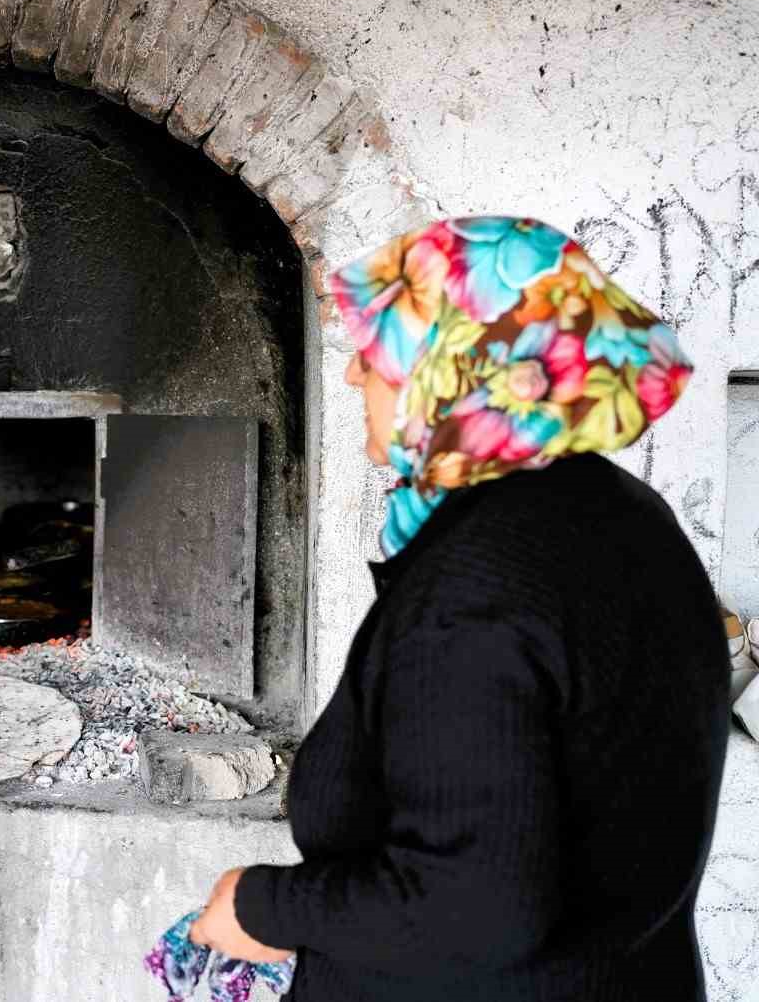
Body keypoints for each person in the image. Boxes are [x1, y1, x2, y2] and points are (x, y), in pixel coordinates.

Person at [188, 217, 730, 1000]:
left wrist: (263, 907)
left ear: (453, 367)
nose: (350, 380)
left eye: (377, 353)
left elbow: (471, 911)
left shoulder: (474, 589)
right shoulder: (624, 515)